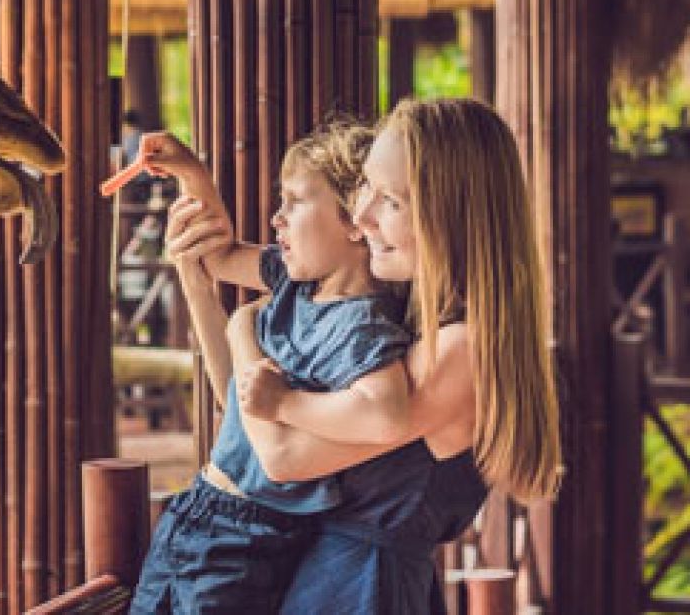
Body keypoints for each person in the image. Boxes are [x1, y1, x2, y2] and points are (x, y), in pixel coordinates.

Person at [164, 97, 562, 613]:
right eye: (366, 189)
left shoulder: (461, 350)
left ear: (452, 213)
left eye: (390, 200)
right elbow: (244, 412)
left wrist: (244, 328)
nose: (363, 215)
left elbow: (281, 455)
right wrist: (196, 266)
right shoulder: (405, 308)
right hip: (328, 580)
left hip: (366, 589)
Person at [128, 121, 414, 613]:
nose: (276, 218)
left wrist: (282, 399)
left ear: (355, 222)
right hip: (199, 508)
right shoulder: (293, 283)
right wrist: (192, 174)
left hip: (248, 538)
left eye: (295, 201)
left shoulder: (361, 326)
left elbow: (386, 409)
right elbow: (217, 256)